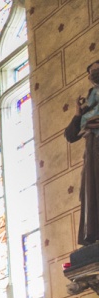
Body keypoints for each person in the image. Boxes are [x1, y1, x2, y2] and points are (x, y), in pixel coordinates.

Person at [65, 60, 99, 246]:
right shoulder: (88, 107)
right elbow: (70, 135)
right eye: (92, 72)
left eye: (98, 70)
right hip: (92, 155)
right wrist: (79, 114)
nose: (95, 74)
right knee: (92, 194)